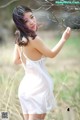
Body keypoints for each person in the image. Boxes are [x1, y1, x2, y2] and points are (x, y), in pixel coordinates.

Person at [12, 5, 71, 120]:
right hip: (38, 88)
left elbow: (16, 60)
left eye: (32, 17)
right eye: (25, 21)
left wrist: (31, 59)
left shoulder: (19, 38)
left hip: (25, 87)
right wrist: (64, 38)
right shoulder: (34, 39)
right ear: (20, 24)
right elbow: (52, 54)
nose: (31, 21)